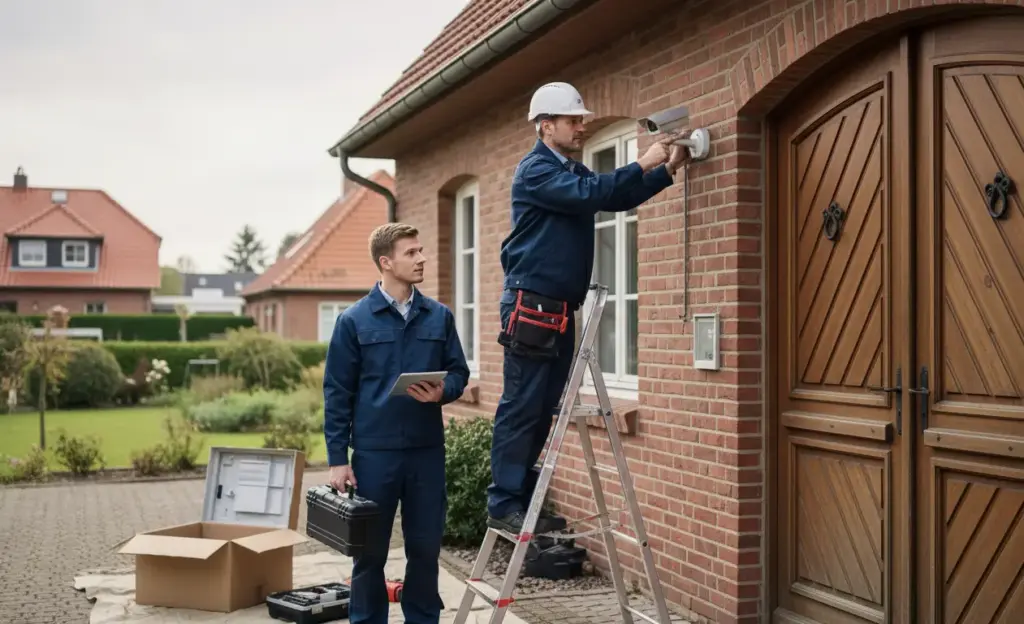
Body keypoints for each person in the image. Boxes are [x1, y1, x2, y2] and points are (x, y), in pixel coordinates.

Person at [487, 81, 691, 535]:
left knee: (544, 407)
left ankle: (522, 502)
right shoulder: (536, 171)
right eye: (573, 120)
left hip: (558, 307)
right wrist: (642, 161)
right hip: (531, 305)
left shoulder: (568, 169)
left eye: (581, 120)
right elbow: (590, 194)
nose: (581, 127)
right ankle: (503, 502)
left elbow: (612, 198)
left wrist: (666, 170)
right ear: (546, 125)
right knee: (522, 406)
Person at [323, 222, 470, 624]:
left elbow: (458, 372)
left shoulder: (438, 316)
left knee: (425, 549)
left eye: (421, 251)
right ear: (386, 262)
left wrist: (443, 392)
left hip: (426, 452)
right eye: (412, 253)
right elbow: (337, 392)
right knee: (368, 553)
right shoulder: (354, 320)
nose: (422, 258)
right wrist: (338, 459)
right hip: (375, 455)